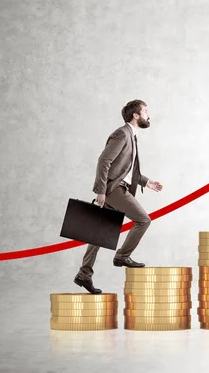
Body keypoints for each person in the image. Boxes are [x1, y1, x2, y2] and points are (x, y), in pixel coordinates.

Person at [73, 99, 163, 294]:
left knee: (98, 233)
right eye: (145, 111)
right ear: (135, 115)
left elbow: (126, 170)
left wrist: (146, 182)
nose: (149, 114)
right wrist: (100, 191)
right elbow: (104, 161)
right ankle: (122, 256)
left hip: (118, 187)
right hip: (114, 190)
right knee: (143, 221)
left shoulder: (132, 136)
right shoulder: (122, 134)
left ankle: (84, 274)